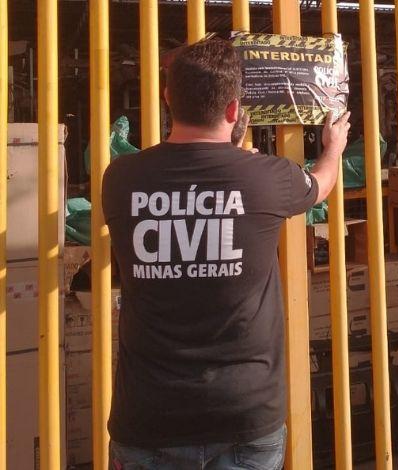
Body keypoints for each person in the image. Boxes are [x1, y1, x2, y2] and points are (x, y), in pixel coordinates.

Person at [102, 38, 350, 470]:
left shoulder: (120, 177)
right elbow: (321, 185)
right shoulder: (268, 178)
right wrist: (333, 147)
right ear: (234, 110)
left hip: (148, 417)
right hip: (245, 415)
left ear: (168, 98)